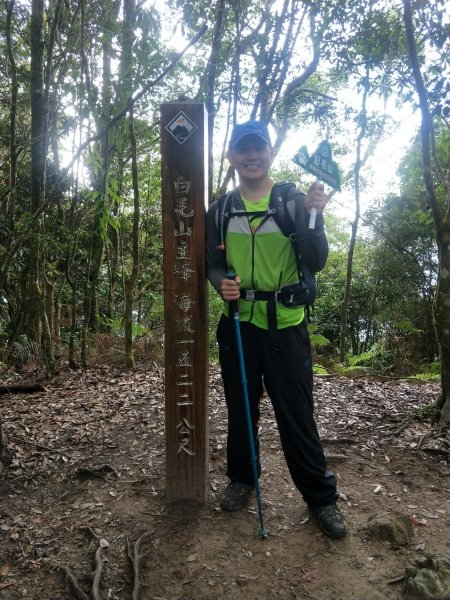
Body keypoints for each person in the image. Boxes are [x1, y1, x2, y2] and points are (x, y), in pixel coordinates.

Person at [206, 120, 347, 539]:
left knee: (296, 414)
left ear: (270, 154)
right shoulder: (221, 209)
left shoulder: (292, 201)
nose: (252, 156)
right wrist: (221, 284)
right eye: (243, 149)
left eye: (259, 149)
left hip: (285, 324)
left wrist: (315, 214)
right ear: (231, 156)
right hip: (238, 325)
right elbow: (211, 263)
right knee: (241, 408)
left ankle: (321, 499)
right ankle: (243, 478)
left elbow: (317, 259)